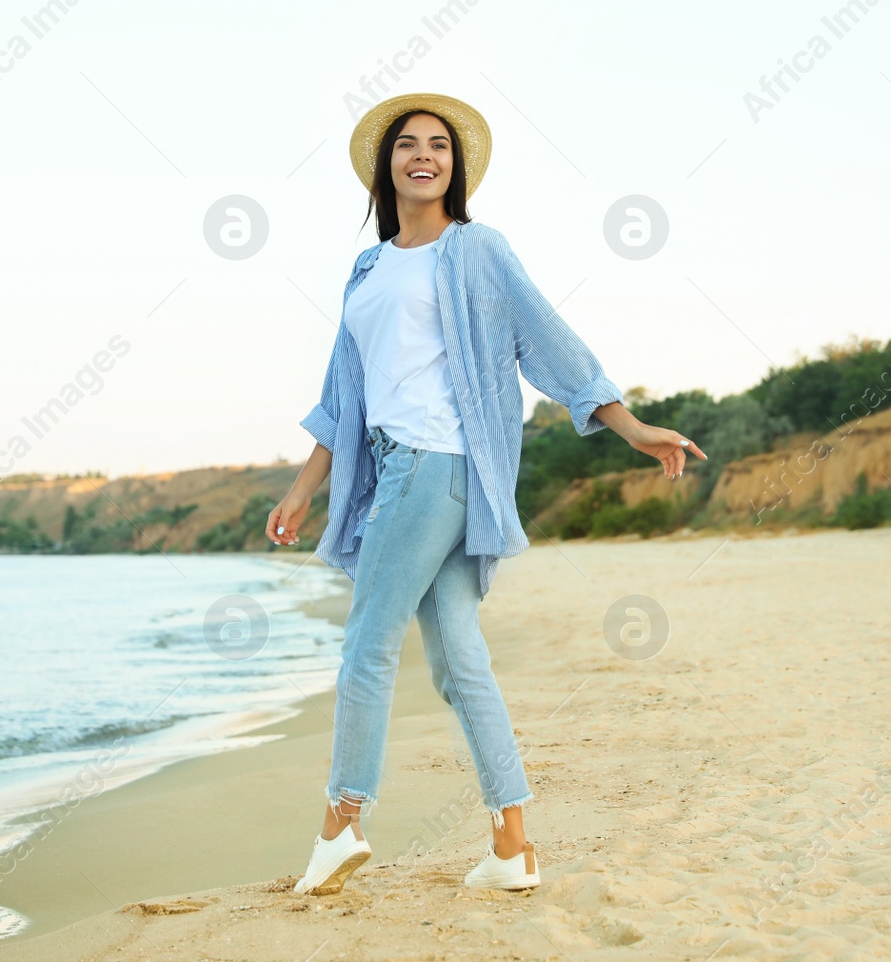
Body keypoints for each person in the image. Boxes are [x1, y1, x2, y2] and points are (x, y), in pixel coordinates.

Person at [268, 92, 706, 896]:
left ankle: (343, 820)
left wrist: (634, 426)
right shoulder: (366, 269)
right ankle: (514, 845)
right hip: (405, 467)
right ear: (386, 165)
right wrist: (303, 491)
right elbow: (343, 394)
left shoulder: (476, 251)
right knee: (459, 660)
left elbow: (548, 340)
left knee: (367, 644)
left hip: (436, 467)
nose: (423, 154)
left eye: (438, 144)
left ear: (455, 166)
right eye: (407, 144)